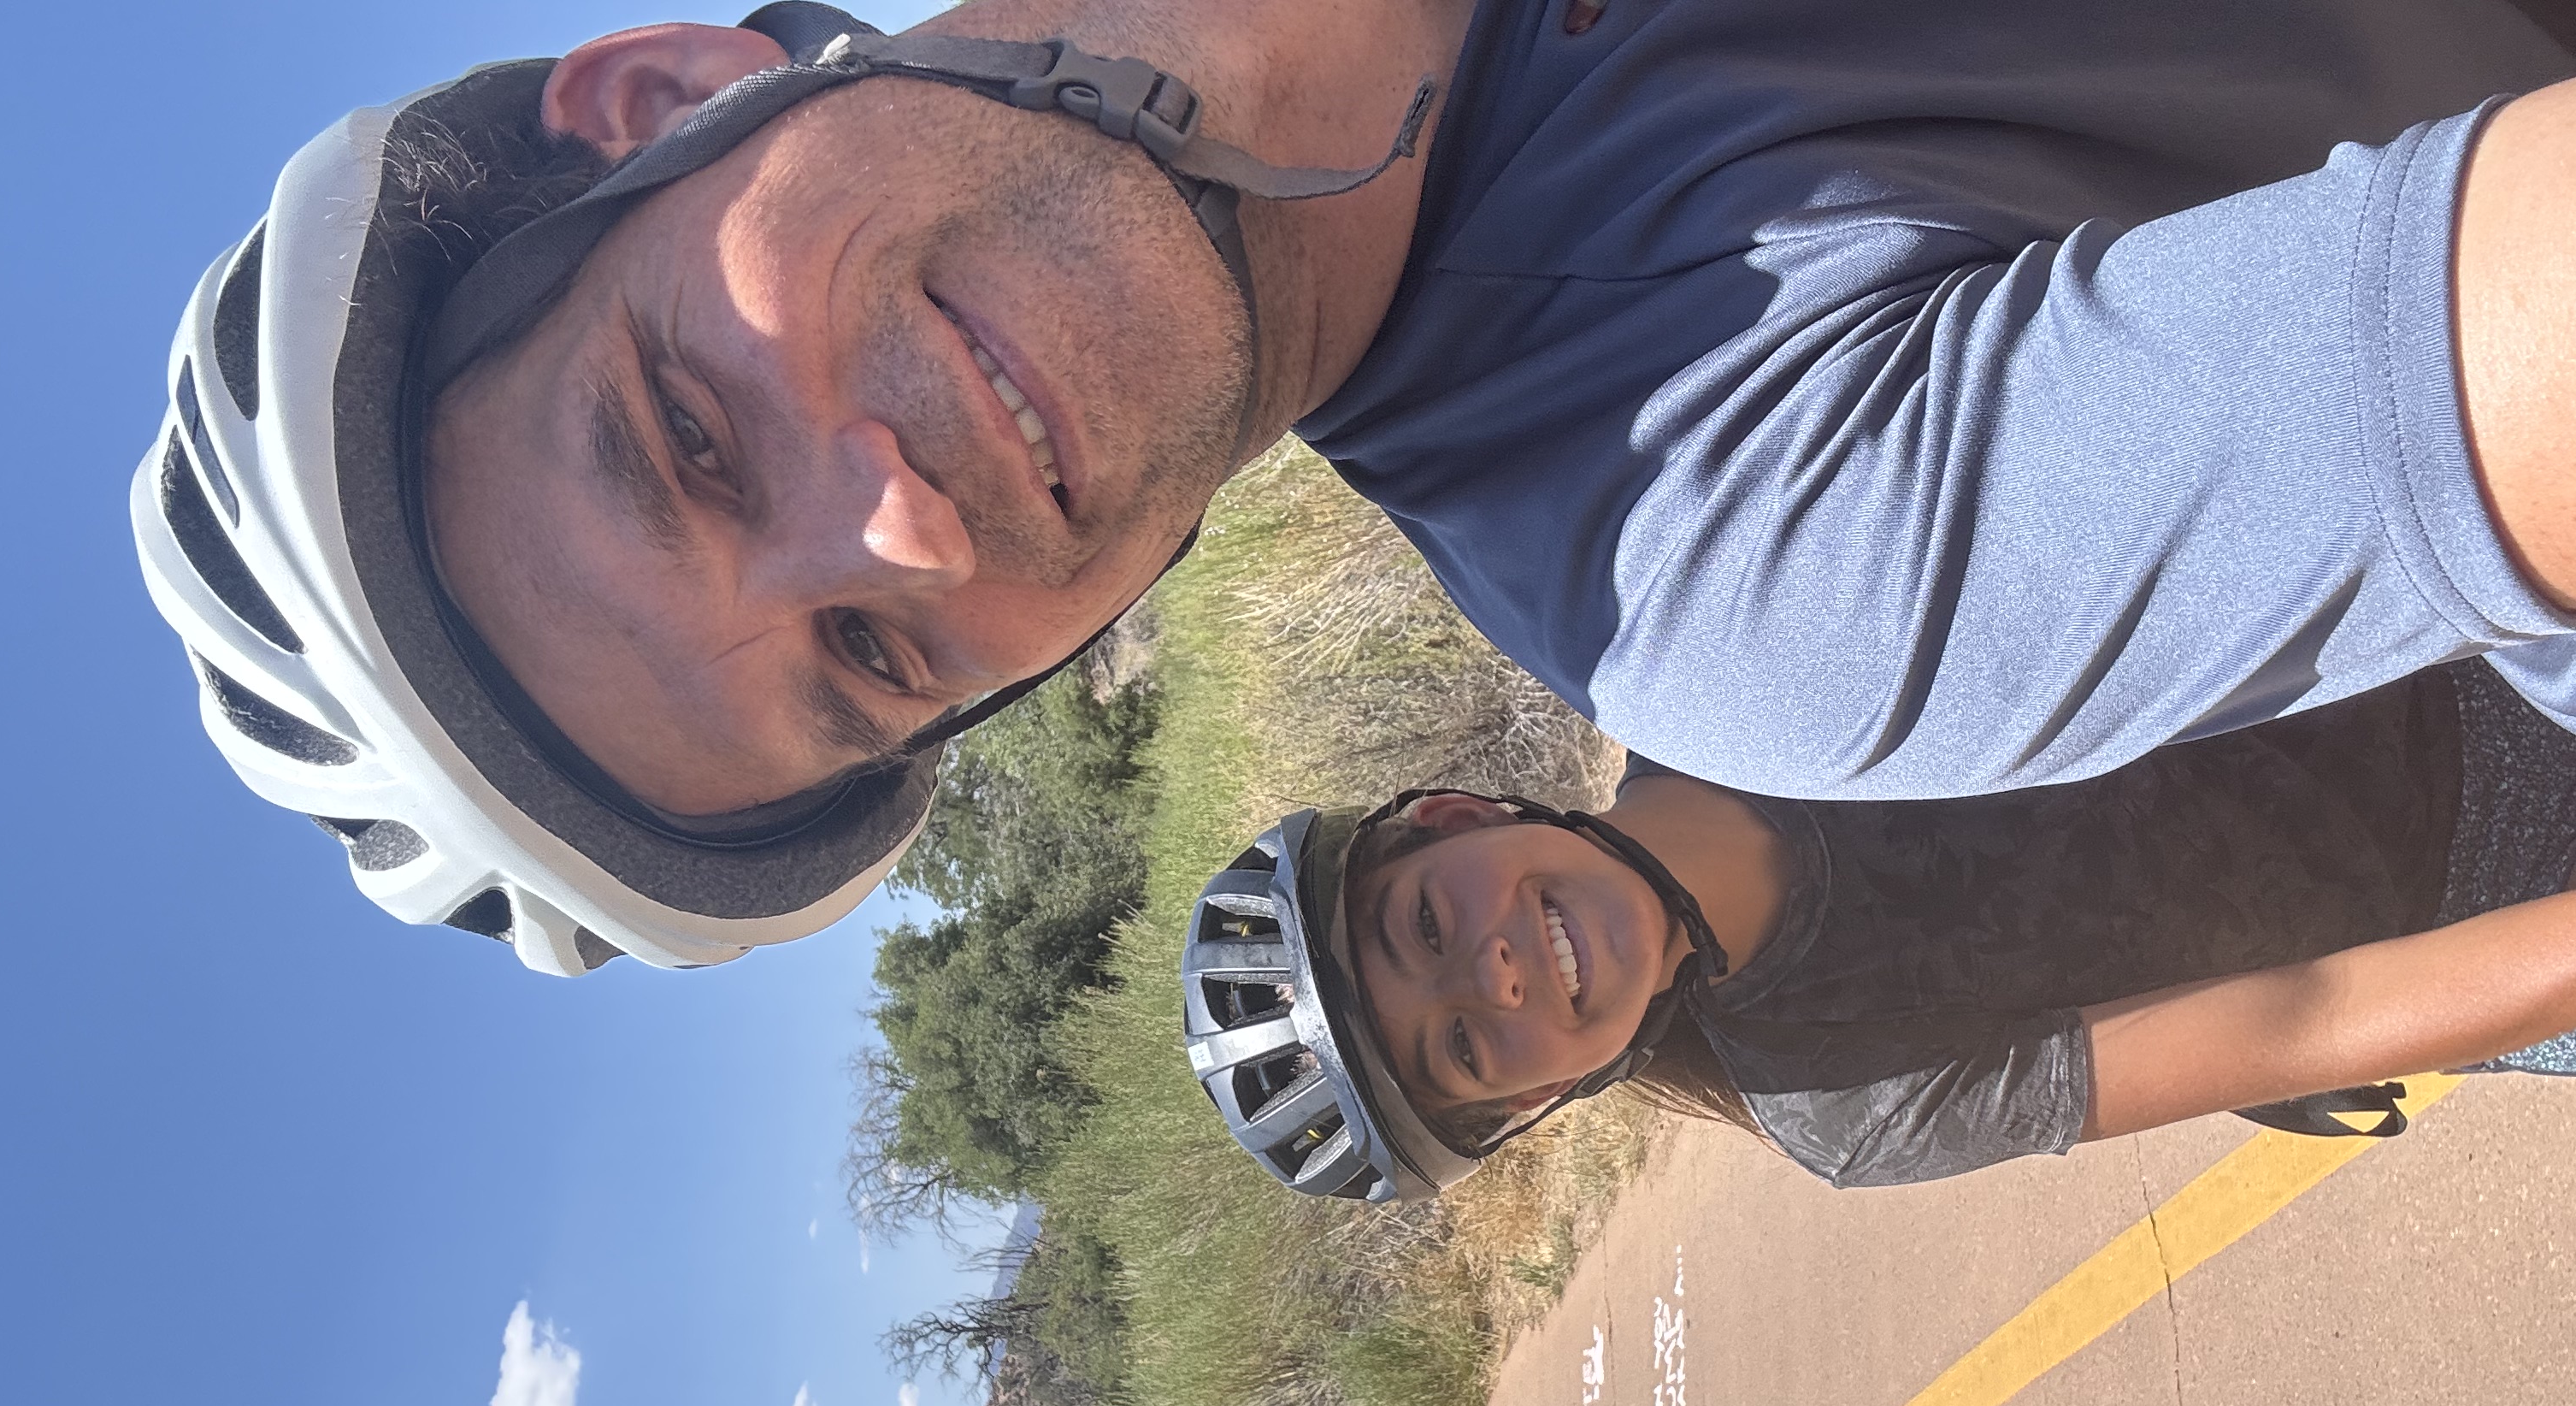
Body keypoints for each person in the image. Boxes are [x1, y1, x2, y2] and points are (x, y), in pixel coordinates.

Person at [136, 0, 2576, 972]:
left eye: (691, 435)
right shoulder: (1731, 545)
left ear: (669, 104)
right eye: (869, 660)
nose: (899, 531)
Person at [1180, 661, 2576, 1196]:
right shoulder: (1843, 1094)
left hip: (2433, 611)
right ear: (1538, 1098)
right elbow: (2310, 1021)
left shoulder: (1724, 670)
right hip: (2490, 891)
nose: (1491, 976)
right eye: (1466, 1051)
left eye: (1428, 924)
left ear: (1448, 819)